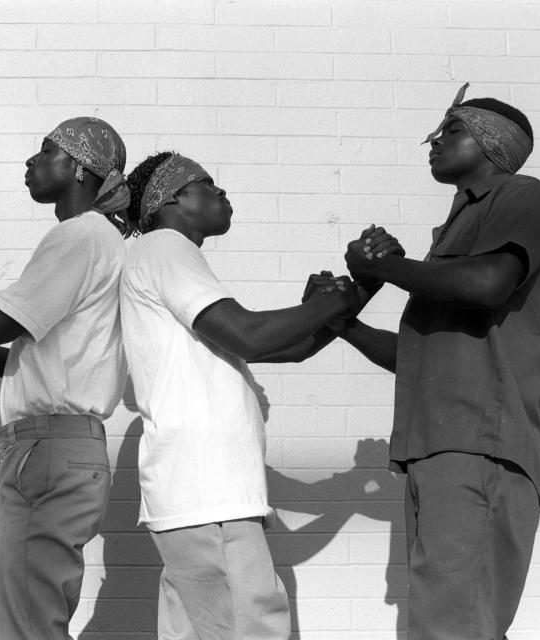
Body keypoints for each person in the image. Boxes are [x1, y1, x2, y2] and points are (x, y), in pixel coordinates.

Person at [318, 83, 540, 639]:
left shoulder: (524, 195)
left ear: (492, 143)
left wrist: (389, 267)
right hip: (440, 451)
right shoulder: (453, 234)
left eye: (451, 130)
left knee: (450, 629)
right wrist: (344, 324)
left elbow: (488, 282)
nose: (434, 140)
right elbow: (415, 357)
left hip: (479, 445)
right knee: (444, 625)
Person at [118, 152, 365, 639]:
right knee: (249, 628)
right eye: (209, 184)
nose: (222, 193)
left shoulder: (165, 259)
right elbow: (251, 333)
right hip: (207, 492)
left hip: (199, 495)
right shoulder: (166, 247)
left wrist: (350, 298)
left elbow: (286, 348)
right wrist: (335, 301)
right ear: (174, 197)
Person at [0, 117, 131, 640]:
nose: (31, 162)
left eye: (46, 151)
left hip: (50, 452)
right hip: (43, 449)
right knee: (1, 621)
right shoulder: (89, 240)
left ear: (81, 169)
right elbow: (29, 361)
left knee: (26, 626)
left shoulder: (81, 237)